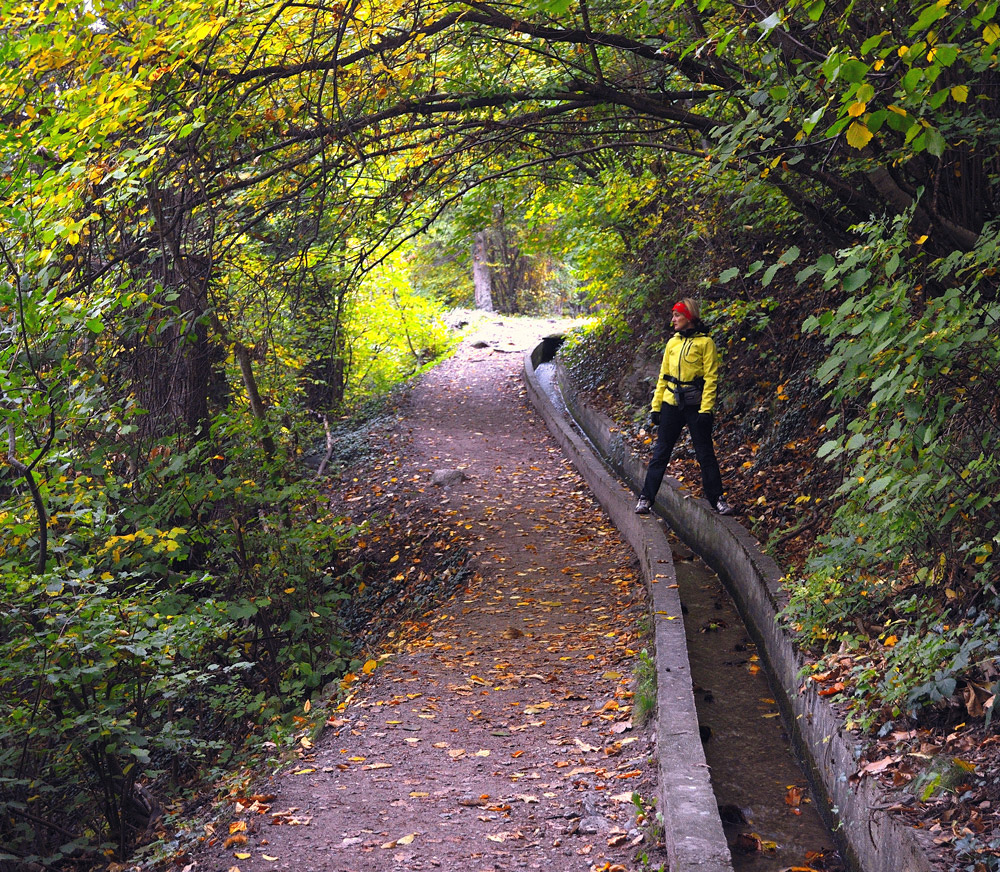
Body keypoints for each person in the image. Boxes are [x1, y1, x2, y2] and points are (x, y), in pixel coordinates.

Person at [635, 298, 734, 516]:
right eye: (673, 315)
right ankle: (646, 498)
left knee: (705, 454)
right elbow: (663, 376)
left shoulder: (705, 343)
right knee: (661, 453)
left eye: (677, 315)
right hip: (671, 404)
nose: (673, 320)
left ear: (689, 317)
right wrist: (656, 406)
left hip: (695, 406)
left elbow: (711, 378)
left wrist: (706, 410)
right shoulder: (672, 343)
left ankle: (717, 499)